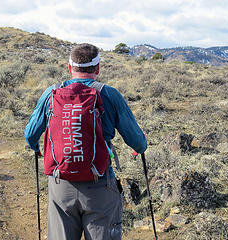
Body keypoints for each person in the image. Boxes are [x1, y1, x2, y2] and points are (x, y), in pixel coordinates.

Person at [25, 43, 147, 240]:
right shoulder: (109, 94)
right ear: (97, 68)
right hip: (100, 183)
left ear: (69, 67)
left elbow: (30, 134)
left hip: (61, 183)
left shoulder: (52, 93)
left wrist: (35, 147)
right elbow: (138, 143)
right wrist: (142, 144)